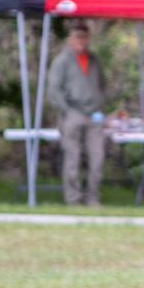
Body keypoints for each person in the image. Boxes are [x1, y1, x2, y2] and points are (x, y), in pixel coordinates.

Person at [47, 21, 107, 206]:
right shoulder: (62, 61)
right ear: (71, 39)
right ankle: (73, 198)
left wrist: (100, 105)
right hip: (72, 113)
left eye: (84, 37)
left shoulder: (94, 60)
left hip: (94, 114)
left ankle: (92, 197)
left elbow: (102, 85)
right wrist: (66, 109)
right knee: (72, 157)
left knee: (97, 157)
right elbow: (54, 89)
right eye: (77, 37)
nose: (81, 41)